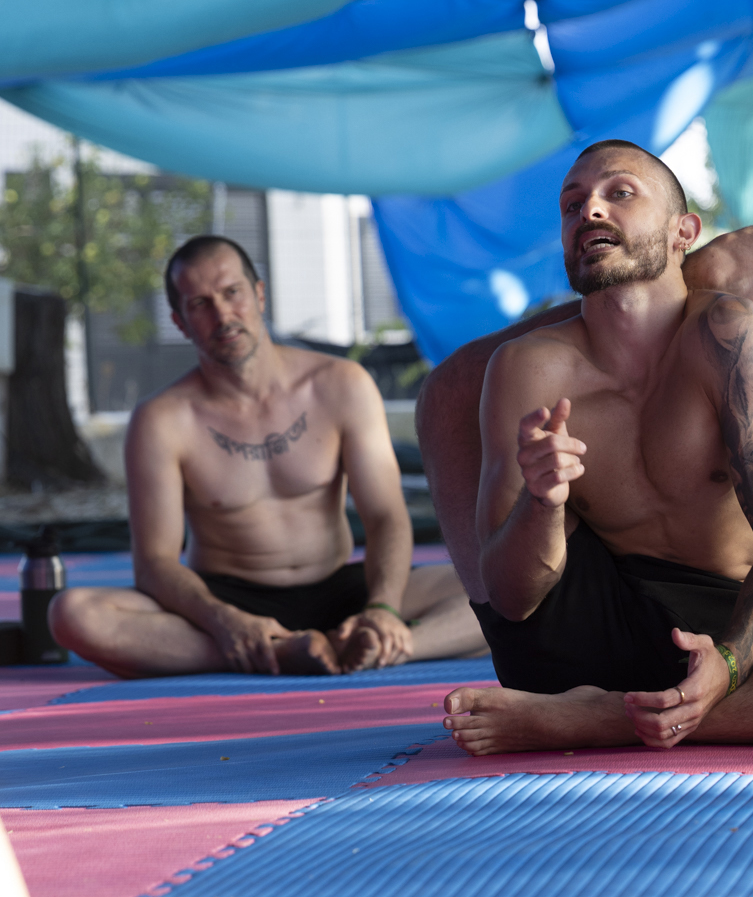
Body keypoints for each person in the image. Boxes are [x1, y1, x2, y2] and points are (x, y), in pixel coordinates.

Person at [418, 141, 753, 756]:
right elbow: (512, 598)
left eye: (619, 193)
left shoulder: (732, 337)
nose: (589, 210)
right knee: (445, 392)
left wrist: (730, 664)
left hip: (719, 619)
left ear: (683, 229)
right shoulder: (529, 368)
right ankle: (703, 270)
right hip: (572, 640)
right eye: (572, 205)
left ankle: (597, 721)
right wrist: (541, 506)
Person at [49, 236, 487, 677]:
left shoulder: (341, 384)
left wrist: (383, 608)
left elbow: (386, 517)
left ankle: (387, 644)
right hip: (225, 599)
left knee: (502, 585)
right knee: (72, 614)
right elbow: (155, 563)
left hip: (342, 588)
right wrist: (224, 622)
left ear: (259, 294)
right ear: (180, 322)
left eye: (232, 292)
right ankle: (271, 651)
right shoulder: (162, 420)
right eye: (200, 304)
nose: (223, 315)